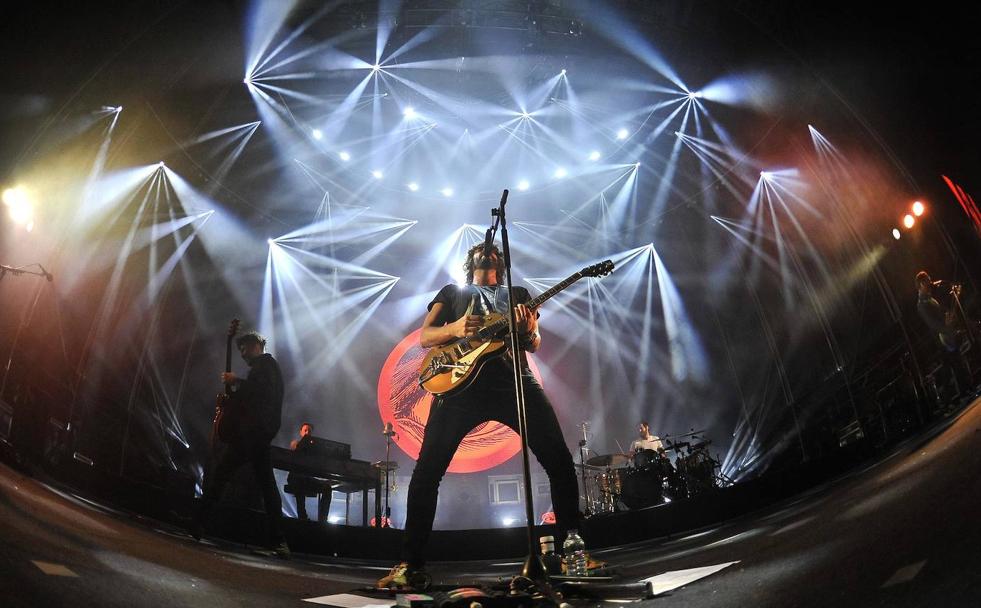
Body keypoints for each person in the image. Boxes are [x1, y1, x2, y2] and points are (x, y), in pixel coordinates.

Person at [377, 243, 580, 589]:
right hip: (458, 388)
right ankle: (410, 564)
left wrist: (529, 329)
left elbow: (533, 344)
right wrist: (455, 329)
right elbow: (427, 337)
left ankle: (575, 553)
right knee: (427, 473)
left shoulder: (517, 293)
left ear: (501, 262)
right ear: (469, 261)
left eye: (495, 252)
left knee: (560, 461)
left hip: (515, 382)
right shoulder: (453, 293)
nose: (488, 253)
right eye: (481, 250)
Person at [192, 330, 289, 558]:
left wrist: (236, 382)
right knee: (265, 485)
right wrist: (232, 399)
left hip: (253, 435)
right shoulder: (262, 369)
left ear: (257, 345)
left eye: (245, 348)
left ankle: (199, 523)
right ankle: (280, 542)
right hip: (255, 435)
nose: (243, 354)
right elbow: (252, 400)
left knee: (222, 475)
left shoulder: (267, 366)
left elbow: (261, 394)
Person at [915, 271, 971, 398]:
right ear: (922, 283)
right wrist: (946, 328)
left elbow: (940, 315)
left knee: (957, 363)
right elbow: (932, 323)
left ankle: (965, 390)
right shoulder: (922, 304)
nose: (930, 282)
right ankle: (958, 395)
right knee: (954, 365)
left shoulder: (929, 299)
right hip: (942, 338)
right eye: (928, 280)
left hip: (946, 335)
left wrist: (948, 316)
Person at [287, 422, 333, 522]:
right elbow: (295, 451)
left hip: (307, 479)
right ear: (301, 432)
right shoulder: (295, 444)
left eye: (309, 431)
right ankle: (302, 518)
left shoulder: (314, 449)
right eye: (305, 430)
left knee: (327, 488)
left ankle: (322, 519)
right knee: (300, 482)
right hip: (296, 478)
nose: (307, 432)